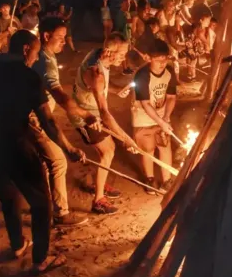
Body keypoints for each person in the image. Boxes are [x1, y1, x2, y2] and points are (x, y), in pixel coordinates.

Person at [0, 20, 85, 275]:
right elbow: (49, 121)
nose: (35, 57)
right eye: (34, 51)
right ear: (25, 50)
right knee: (41, 202)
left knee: (8, 195)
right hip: (14, 142)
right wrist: (68, 148)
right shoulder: (27, 76)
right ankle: (41, 258)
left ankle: (18, 245)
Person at [30, 17, 96, 225]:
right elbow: (60, 96)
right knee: (58, 161)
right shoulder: (44, 62)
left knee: (45, 161)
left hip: (36, 115)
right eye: (59, 37)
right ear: (46, 35)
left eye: (65, 37)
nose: (64, 42)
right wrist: (85, 115)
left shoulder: (45, 56)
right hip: (33, 117)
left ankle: (46, 207)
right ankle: (60, 213)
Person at [73, 32, 139, 214]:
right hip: (86, 117)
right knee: (108, 151)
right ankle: (98, 200)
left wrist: (116, 90)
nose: (124, 58)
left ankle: (98, 183)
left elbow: (99, 89)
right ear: (109, 52)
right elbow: (104, 112)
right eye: (121, 54)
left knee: (107, 151)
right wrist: (126, 138)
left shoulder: (98, 54)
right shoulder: (96, 73)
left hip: (92, 110)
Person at [131, 39, 177, 193]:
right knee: (148, 148)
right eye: (158, 60)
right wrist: (160, 121)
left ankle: (167, 180)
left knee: (164, 145)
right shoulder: (142, 75)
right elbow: (145, 103)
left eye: (165, 59)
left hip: (161, 116)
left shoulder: (169, 73)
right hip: (143, 117)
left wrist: (165, 118)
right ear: (149, 58)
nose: (162, 64)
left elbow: (171, 97)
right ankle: (150, 179)